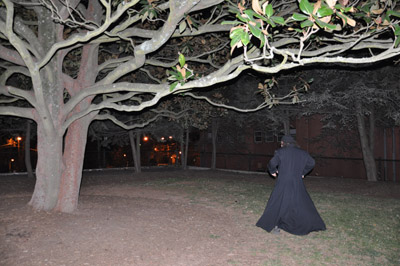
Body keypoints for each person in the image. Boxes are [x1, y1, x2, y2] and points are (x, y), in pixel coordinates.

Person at [256, 135, 326, 235]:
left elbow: (272, 163)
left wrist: (272, 170)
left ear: (283, 143)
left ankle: (277, 225)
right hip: (297, 182)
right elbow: (312, 162)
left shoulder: (281, 152)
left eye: (281, 143)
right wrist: (303, 172)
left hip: (283, 181)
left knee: (278, 202)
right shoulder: (302, 153)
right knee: (299, 202)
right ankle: (302, 223)